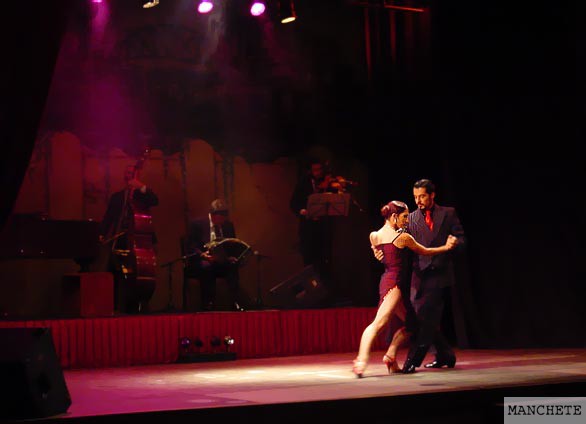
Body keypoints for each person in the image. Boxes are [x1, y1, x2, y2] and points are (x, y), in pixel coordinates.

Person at [353, 200, 457, 378]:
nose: (407, 221)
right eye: (404, 217)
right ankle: (361, 361)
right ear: (394, 217)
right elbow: (425, 251)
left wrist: (378, 254)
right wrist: (446, 247)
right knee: (379, 323)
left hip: (388, 281)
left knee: (412, 325)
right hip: (394, 285)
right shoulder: (402, 238)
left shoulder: (374, 235)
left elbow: (377, 250)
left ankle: (390, 356)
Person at [400, 178, 466, 374]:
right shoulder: (411, 218)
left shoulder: (448, 213)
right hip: (418, 276)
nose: (418, 201)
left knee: (428, 319)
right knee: (422, 319)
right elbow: (398, 240)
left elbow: (461, 238)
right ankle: (445, 354)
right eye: (415, 197)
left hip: (439, 275)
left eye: (422, 196)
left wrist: (455, 243)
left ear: (432, 195)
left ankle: (413, 360)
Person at [98, 164, 159, 314]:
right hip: (121, 239)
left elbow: (155, 200)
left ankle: (137, 307)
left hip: (139, 241)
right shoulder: (117, 197)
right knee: (113, 271)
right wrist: (102, 233)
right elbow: (109, 217)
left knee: (135, 275)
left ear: (137, 175)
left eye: (131, 173)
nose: (128, 175)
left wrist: (141, 186)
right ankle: (113, 308)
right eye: (127, 173)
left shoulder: (142, 195)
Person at [183, 199, 245, 312]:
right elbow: (190, 245)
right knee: (207, 267)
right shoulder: (197, 224)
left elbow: (232, 245)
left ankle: (235, 301)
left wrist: (231, 256)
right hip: (203, 260)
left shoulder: (228, 225)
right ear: (212, 215)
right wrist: (203, 255)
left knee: (232, 266)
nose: (222, 222)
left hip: (221, 260)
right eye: (220, 218)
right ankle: (208, 303)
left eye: (224, 219)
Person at [289, 158, 337, 298]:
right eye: (315, 170)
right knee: (309, 261)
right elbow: (293, 203)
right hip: (308, 229)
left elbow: (335, 201)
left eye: (320, 170)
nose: (318, 173)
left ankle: (326, 293)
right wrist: (303, 211)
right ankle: (312, 294)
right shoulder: (304, 183)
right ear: (310, 171)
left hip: (323, 228)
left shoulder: (327, 183)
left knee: (325, 260)